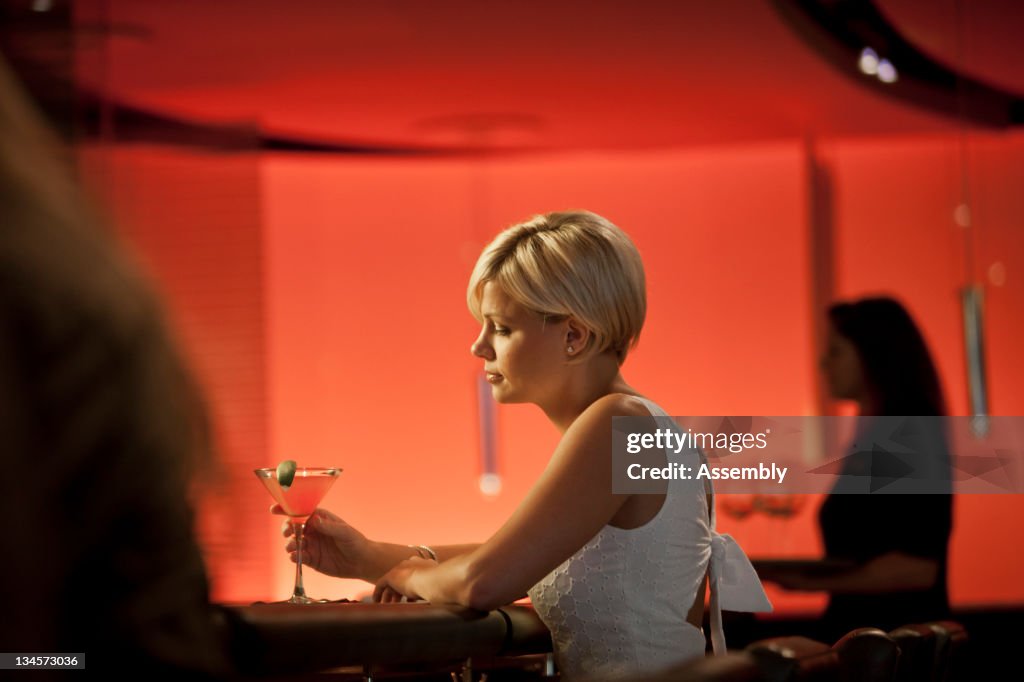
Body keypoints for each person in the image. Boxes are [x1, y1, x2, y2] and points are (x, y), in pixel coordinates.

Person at [277, 211, 770, 679]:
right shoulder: (643, 424)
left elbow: (484, 581)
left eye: (502, 327)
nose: (479, 346)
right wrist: (367, 556)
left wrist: (408, 576)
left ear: (574, 336)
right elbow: (522, 553)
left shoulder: (618, 425)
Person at [0, 57, 230, 676]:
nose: (480, 348)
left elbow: (63, 654)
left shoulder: (51, 307)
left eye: (500, 328)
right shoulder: (93, 300)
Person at [760, 297, 953, 641]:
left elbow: (917, 567)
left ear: (872, 355)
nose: (823, 363)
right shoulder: (876, 436)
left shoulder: (908, 435)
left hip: (889, 644)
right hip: (872, 640)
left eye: (835, 351)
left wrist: (809, 582)